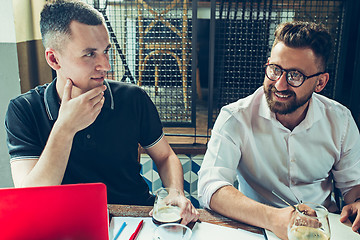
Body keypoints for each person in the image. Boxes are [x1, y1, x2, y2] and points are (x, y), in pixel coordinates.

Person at [5, 0, 198, 225]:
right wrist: (65, 128)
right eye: (89, 54)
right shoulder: (24, 110)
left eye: (105, 51)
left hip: (136, 215)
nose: (105, 65)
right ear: (53, 59)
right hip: (67, 223)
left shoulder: (133, 98)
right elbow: (31, 200)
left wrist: (175, 192)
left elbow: (165, 156)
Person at [198, 21, 360, 239]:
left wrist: (358, 203)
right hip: (256, 228)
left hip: (323, 229)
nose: (280, 84)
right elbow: (210, 187)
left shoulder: (341, 120)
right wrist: (273, 218)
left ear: (320, 82)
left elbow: (353, 186)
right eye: (275, 70)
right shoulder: (235, 117)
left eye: (295, 75)